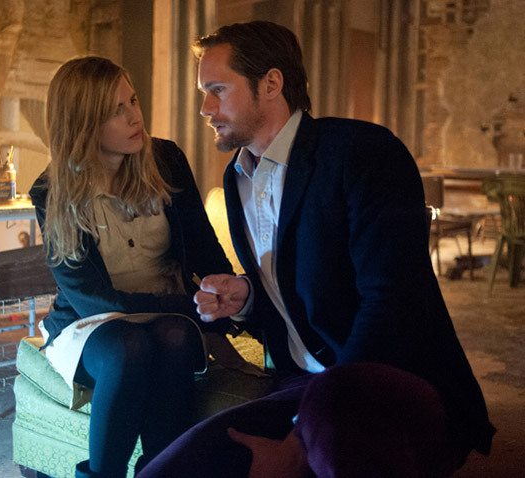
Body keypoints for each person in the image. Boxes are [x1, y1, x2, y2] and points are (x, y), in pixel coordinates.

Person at [137, 21, 494, 478]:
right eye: (204, 93)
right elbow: (298, 291)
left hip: (396, 384)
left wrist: (296, 443)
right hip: (304, 387)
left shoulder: (362, 153)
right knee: (169, 470)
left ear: (271, 84)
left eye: (217, 90)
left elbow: (393, 305)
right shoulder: (238, 178)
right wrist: (248, 298)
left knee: (326, 439)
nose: (206, 108)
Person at [29, 56, 234, 478]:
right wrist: (190, 306)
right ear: (83, 125)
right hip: (93, 324)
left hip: (172, 315)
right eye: (115, 111)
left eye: (133, 101)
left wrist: (230, 300)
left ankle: (159, 471)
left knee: (174, 337)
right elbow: (93, 300)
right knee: (127, 347)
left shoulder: (166, 159)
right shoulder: (52, 191)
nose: (135, 117)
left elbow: (204, 247)